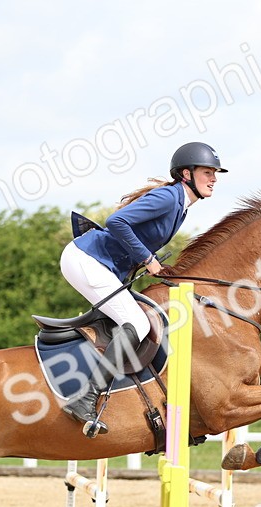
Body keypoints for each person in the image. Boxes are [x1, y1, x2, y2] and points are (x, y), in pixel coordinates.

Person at [59, 141, 227, 436]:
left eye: (215, 173)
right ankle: (85, 398)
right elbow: (116, 222)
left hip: (98, 263)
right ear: (186, 174)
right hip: (86, 259)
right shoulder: (168, 197)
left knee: (136, 316)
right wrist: (147, 259)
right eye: (207, 172)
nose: (214, 178)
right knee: (136, 322)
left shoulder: (180, 206)